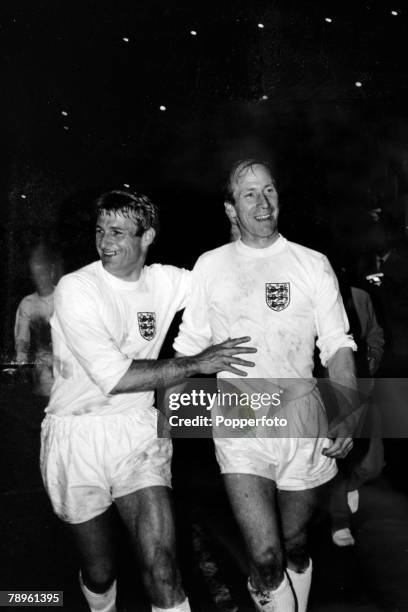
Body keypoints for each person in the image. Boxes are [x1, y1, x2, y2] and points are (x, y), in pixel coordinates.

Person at [40, 189, 256, 612]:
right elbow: (116, 377)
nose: (105, 242)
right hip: (76, 435)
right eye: (101, 231)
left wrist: (238, 224)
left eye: (118, 232)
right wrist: (196, 362)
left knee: (162, 565)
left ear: (147, 236)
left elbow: (223, 275)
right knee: (101, 572)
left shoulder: (166, 281)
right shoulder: (77, 288)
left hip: (137, 431)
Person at [173, 160, 358, 612]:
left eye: (270, 190)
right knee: (267, 556)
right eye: (250, 193)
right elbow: (189, 348)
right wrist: (149, 402)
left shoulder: (311, 264)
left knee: (295, 545)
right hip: (241, 418)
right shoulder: (210, 266)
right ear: (232, 209)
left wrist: (348, 411)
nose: (263, 201)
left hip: (302, 418)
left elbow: (336, 345)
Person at [328, 267, 385, 547]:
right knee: (336, 457)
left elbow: (375, 333)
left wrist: (373, 355)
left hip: (362, 385)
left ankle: (351, 486)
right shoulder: (312, 298)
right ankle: (339, 521)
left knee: (372, 463)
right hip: (325, 388)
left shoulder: (360, 297)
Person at [14, 243, 60, 399]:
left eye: (42, 273)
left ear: (52, 271)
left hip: (69, 371)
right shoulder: (27, 304)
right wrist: (23, 366)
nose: (39, 278)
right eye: (35, 274)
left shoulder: (66, 295)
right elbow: (21, 340)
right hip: (42, 375)